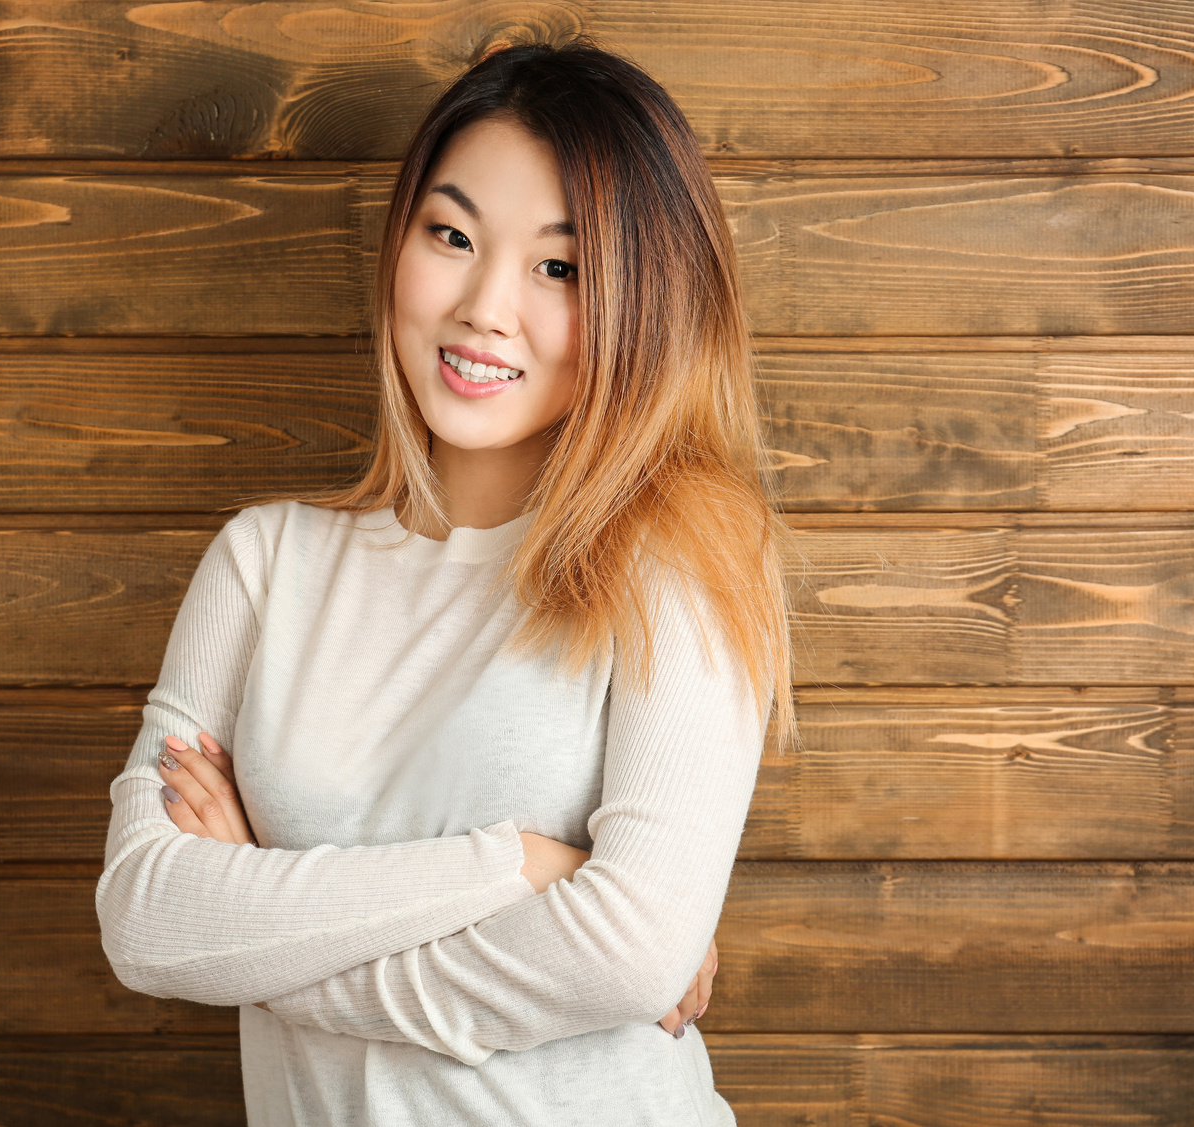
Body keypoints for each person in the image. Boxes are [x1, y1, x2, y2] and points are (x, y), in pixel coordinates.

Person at [96, 37, 795, 1126]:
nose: (484, 306)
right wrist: (515, 865)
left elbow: (631, 954)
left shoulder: (683, 553)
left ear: (643, 302)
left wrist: (258, 931)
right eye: (453, 235)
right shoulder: (265, 562)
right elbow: (147, 919)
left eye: (557, 267)